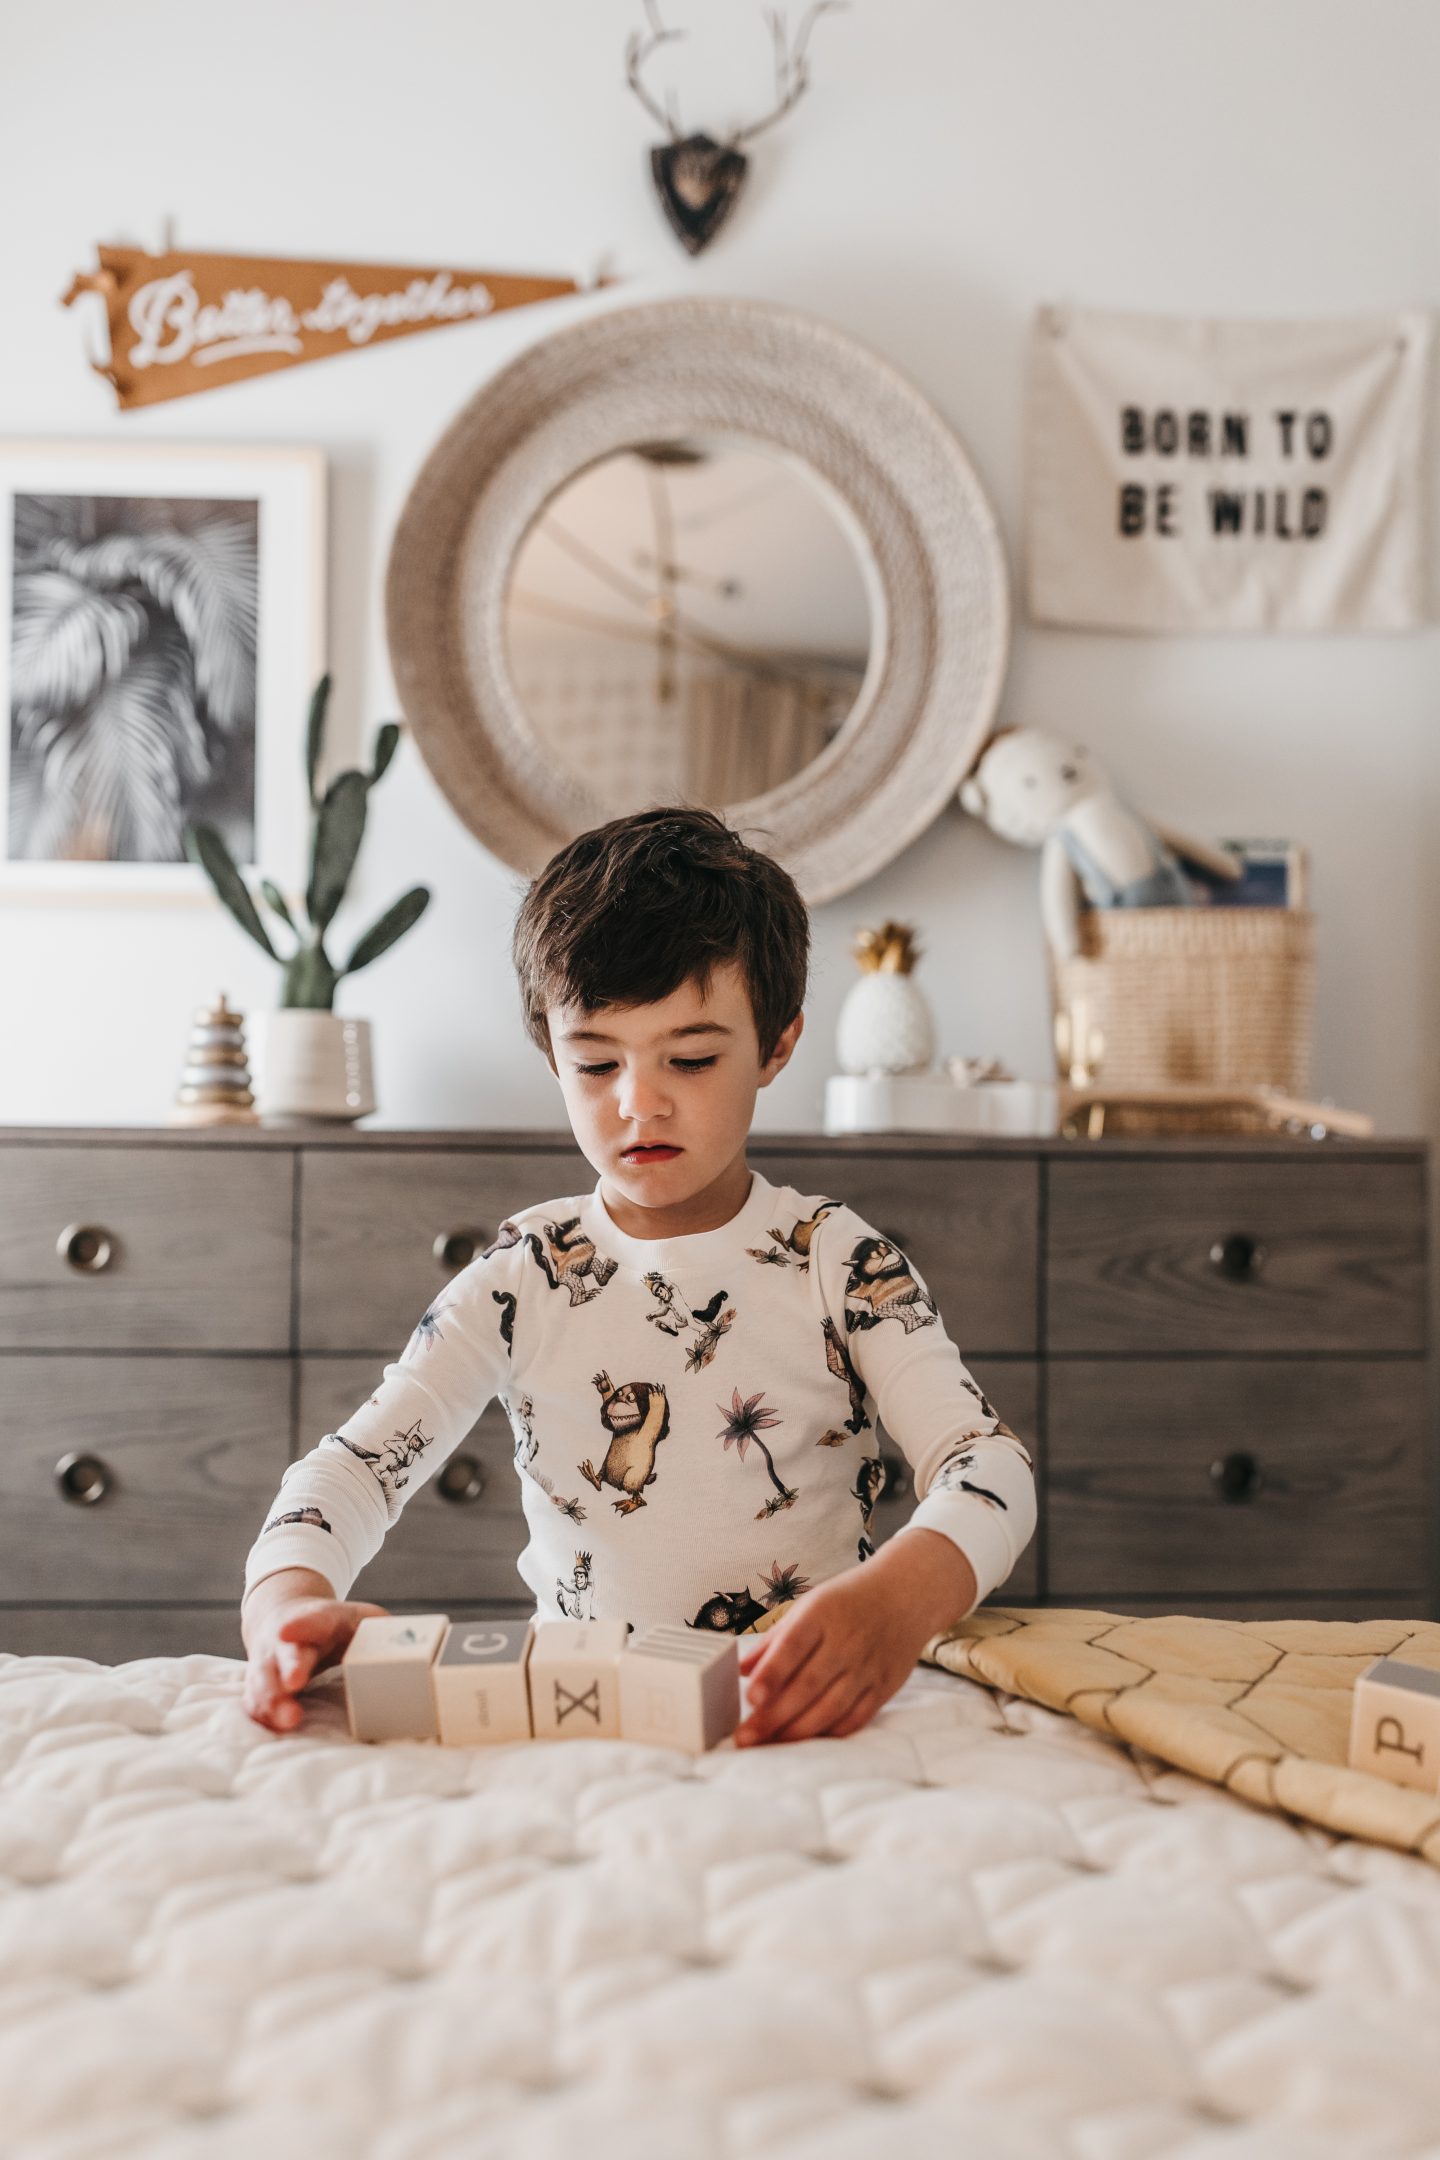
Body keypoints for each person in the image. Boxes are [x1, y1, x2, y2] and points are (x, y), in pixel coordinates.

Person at [240, 805, 1037, 1746]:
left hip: (798, 1720)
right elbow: (355, 1471)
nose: (638, 1102)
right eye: (593, 1061)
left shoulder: (842, 1261)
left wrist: (900, 1603)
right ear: (550, 1049)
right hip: (587, 1727)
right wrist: (285, 1604)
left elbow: (988, 1464)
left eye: (692, 1058)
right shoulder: (522, 1276)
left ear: (778, 1043)